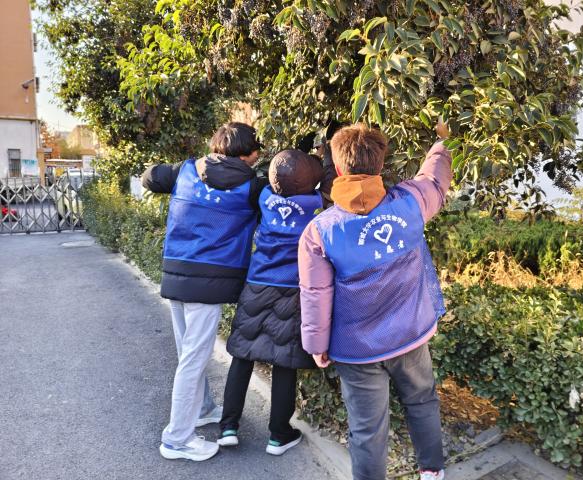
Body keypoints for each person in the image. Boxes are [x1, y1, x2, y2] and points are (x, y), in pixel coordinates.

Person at [298, 122, 452, 480]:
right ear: (381, 164)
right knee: (422, 401)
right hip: (410, 336)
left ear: (338, 169)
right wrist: (443, 142)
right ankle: (432, 472)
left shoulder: (319, 231)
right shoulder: (410, 202)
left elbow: (316, 294)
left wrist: (316, 345)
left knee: (367, 430)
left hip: (357, 350)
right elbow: (434, 179)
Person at [142, 122, 265, 462]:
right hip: (210, 282)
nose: (258, 156)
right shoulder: (253, 188)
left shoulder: (185, 171)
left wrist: (188, 172)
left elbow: (149, 177)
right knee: (193, 360)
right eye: (257, 151)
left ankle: (203, 409)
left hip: (176, 273)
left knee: (188, 355)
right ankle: (177, 439)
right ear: (249, 154)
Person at [218, 146, 336, 455]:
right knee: (285, 361)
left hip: (257, 283)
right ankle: (278, 434)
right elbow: (330, 179)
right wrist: (325, 155)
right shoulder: (317, 204)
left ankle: (228, 426)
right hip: (293, 289)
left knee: (242, 355)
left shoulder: (264, 197)